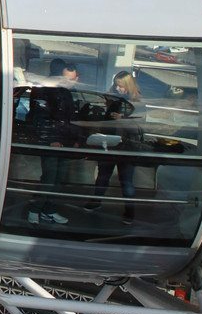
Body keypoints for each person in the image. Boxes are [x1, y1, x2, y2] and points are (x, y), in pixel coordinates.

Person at [27, 59, 83, 224]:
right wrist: (50, 140)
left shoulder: (66, 93)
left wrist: (75, 139)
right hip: (53, 143)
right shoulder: (48, 91)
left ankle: (48, 209)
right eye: (67, 79)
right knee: (49, 178)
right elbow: (41, 118)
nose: (70, 83)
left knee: (58, 179)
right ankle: (35, 209)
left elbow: (72, 119)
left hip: (65, 142)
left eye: (72, 79)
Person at [86, 71, 142, 224]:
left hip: (127, 146)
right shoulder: (112, 98)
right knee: (103, 176)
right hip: (110, 143)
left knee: (127, 181)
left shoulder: (137, 102)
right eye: (116, 86)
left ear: (128, 86)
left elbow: (140, 126)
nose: (118, 89)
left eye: (121, 86)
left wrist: (123, 120)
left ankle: (129, 211)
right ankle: (96, 201)